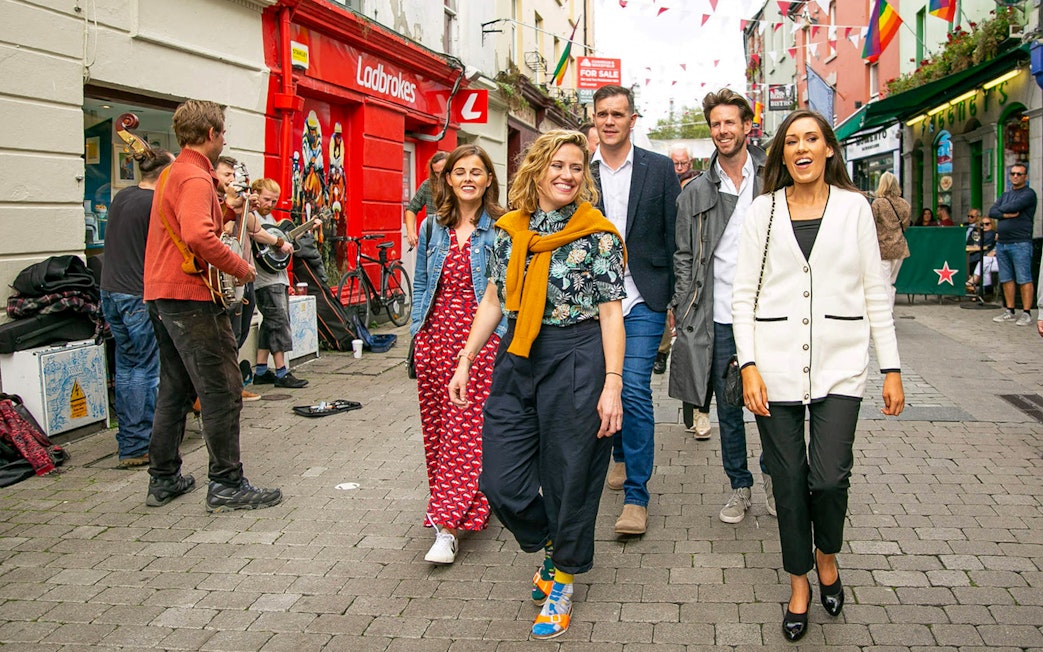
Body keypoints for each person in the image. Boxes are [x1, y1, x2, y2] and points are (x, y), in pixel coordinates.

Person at [733, 109, 904, 643]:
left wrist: (892, 366)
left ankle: (826, 554)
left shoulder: (855, 208)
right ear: (781, 154)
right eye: (792, 141)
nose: (802, 148)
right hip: (774, 363)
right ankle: (799, 582)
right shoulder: (762, 210)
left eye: (813, 138)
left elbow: (876, 289)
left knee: (828, 477)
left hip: (841, 361)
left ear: (829, 149)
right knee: (787, 483)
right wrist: (748, 364)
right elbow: (743, 294)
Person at [448, 129, 625, 640]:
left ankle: (564, 578)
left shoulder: (598, 234)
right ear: (537, 170)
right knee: (499, 480)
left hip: (578, 355)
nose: (568, 175)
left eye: (576, 167)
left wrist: (612, 383)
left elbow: (613, 313)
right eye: (558, 166)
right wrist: (465, 359)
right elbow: (493, 299)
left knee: (572, 474)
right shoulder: (507, 230)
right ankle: (551, 542)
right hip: (518, 354)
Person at [143, 99, 282, 512]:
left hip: (161, 292)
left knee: (176, 387)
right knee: (223, 389)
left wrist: (229, 209)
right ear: (210, 135)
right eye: (223, 133)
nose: (224, 140)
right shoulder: (196, 177)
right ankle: (226, 483)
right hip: (189, 296)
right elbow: (199, 237)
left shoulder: (174, 171)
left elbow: (189, 222)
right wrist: (242, 269)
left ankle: (163, 477)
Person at [669, 88, 772, 520]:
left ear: (748, 127)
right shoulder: (695, 191)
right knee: (730, 409)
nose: (723, 130)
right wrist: (685, 305)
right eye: (716, 123)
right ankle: (740, 486)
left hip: (771, 316)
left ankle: (775, 480)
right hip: (721, 318)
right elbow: (683, 255)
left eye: (731, 122)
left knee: (775, 409)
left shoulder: (773, 176)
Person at [410, 145, 506, 565]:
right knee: (437, 434)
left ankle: (445, 527)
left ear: (488, 180)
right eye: (460, 171)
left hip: (478, 344)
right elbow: (420, 285)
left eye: (477, 172)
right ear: (447, 179)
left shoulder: (502, 228)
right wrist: (417, 337)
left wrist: (496, 340)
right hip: (435, 341)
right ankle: (471, 506)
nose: (468, 178)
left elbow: (504, 293)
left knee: (464, 433)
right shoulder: (433, 226)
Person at [591, 85, 680, 536]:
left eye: (618, 114)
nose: (610, 121)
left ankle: (637, 497)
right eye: (603, 113)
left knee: (633, 389)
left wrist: (674, 302)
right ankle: (620, 455)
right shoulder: (579, 173)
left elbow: (673, 236)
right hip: (594, 302)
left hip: (644, 296)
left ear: (632, 119)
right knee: (602, 387)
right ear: (594, 118)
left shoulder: (659, 169)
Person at [101, 147, 174, 468]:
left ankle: (130, 444)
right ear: (165, 174)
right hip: (137, 294)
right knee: (145, 368)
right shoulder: (155, 204)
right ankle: (141, 444)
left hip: (111, 290)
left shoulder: (123, 197)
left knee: (128, 367)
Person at [249, 178, 314, 389]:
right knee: (279, 323)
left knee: (269, 325)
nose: (270, 204)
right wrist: (279, 242)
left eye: (274, 200)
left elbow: (286, 241)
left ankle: (260, 370)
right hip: (265, 280)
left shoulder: (268, 217)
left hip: (278, 277)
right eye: (266, 199)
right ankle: (281, 372)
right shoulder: (252, 216)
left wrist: (307, 228)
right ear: (255, 193)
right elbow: (260, 236)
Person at [214, 155, 259, 402]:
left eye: (233, 175)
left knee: (238, 334)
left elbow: (253, 227)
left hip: (245, 272)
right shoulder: (215, 202)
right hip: (226, 277)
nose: (232, 180)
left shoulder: (236, 203)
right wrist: (230, 208)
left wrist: (245, 207)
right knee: (227, 336)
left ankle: (234, 385)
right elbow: (220, 235)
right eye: (227, 175)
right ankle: (227, 389)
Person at [653, 144, 699, 377]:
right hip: (667, 253)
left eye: (683, 163)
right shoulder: (661, 183)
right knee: (664, 305)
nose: (679, 168)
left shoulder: (697, 185)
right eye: (675, 163)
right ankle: (662, 352)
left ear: (690, 164)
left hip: (690, 253)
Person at [990, 163, 1037, 325]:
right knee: (1006, 278)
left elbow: (1015, 206)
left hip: (1020, 242)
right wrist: (1008, 215)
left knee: (1024, 278)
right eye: (1013, 174)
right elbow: (992, 212)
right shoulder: (1005, 194)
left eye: (1019, 174)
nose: (1015, 176)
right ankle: (1009, 310)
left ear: (1025, 177)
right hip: (1002, 242)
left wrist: (1002, 212)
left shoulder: (1029, 194)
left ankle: (1026, 312)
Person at [870, 171, 911, 309]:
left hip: (883, 248)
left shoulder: (878, 203)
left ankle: (887, 314)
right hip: (900, 247)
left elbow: (872, 225)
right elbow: (906, 225)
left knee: (884, 282)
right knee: (891, 282)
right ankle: (890, 312)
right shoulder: (905, 204)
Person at [405, 152, 449, 249]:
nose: (440, 176)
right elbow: (411, 209)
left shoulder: (459, 185)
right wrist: (411, 232)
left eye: (443, 172)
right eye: (436, 173)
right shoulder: (428, 185)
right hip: (433, 238)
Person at [966, 217, 997, 292]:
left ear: (992, 225)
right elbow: (970, 242)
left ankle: (971, 285)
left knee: (973, 263)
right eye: (982, 224)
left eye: (987, 224)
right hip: (977, 254)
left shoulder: (991, 233)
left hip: (984, 256)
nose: (985, 226)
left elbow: (980, 243)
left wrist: (976, 243)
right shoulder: (976, 232)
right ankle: (972, 286)